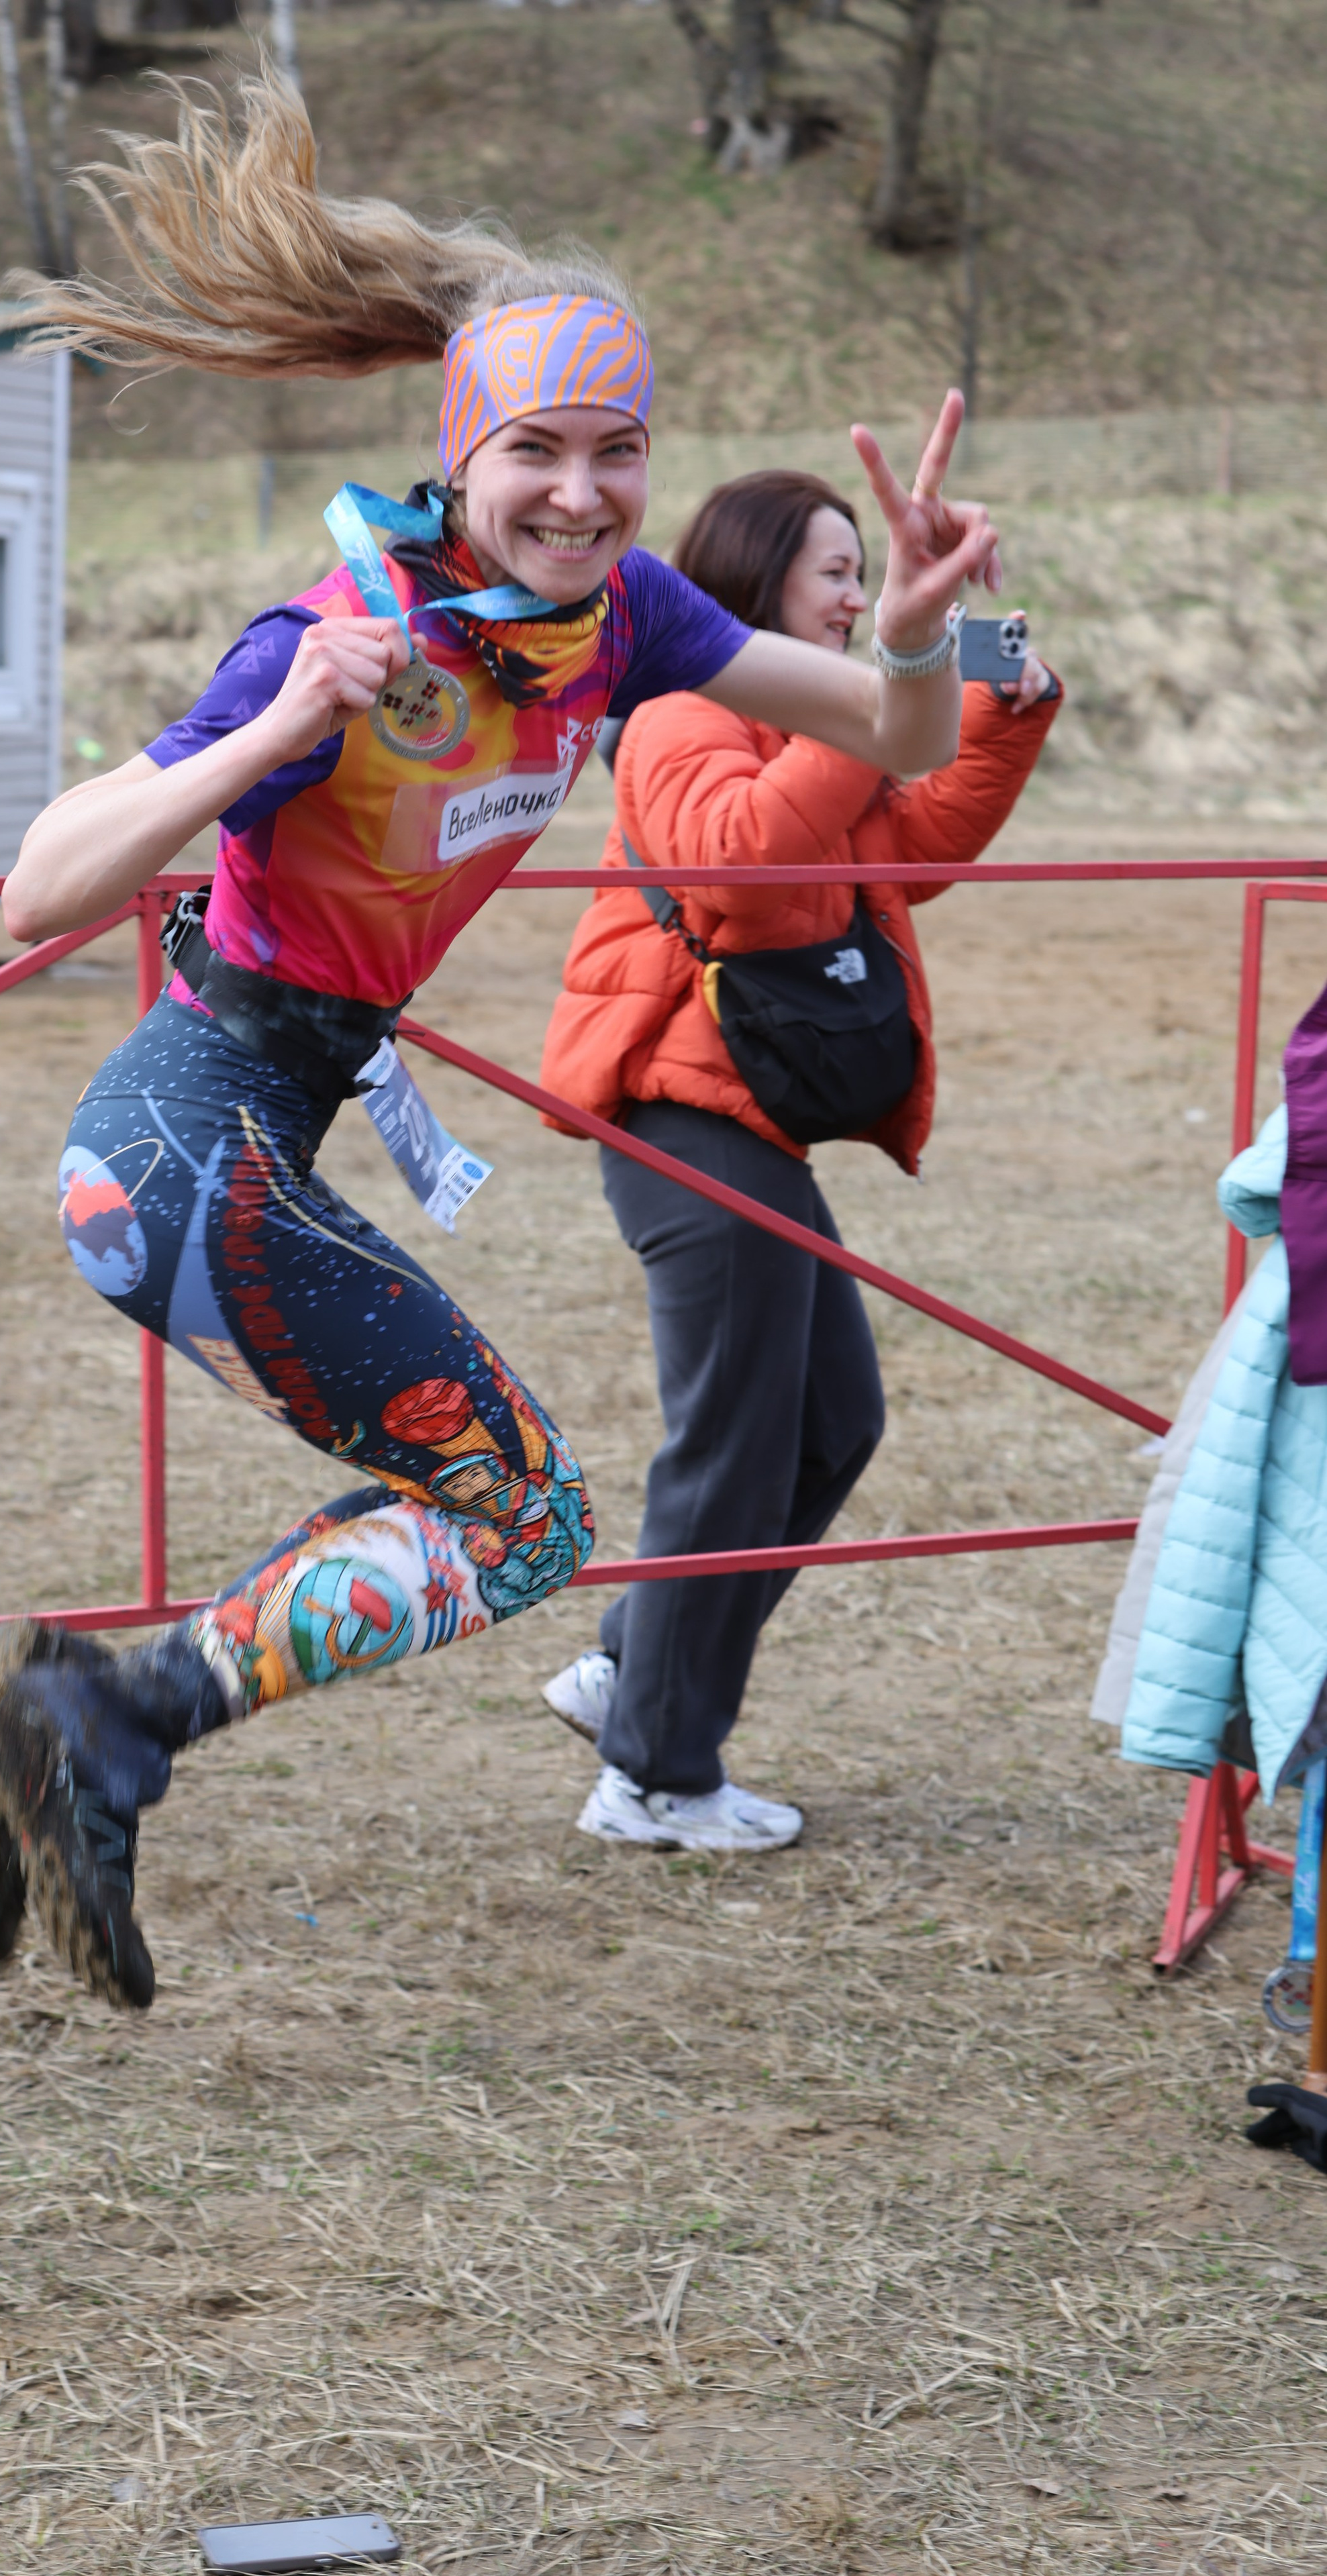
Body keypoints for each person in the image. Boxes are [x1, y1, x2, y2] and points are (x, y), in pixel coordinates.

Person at [0, 73, 1003, 2013]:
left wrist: (922, 629)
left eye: (618, 449)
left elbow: (907, 742)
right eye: (536, 451)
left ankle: (90, 1724)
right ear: (461, 449)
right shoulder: (334, 630)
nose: (582, 491)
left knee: (504, 1507)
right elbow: (33, 889)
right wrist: (273, 737)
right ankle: (92, 1718)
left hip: (258, 1143)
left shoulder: (620, 621)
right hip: (180, 1147)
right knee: (528, 1513)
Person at [536, 469, 1061, 1852]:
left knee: (831, 1423)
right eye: (834, 574)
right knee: (731, 1443)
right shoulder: (679, 710)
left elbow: (923, 841)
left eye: (858, 575)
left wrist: (993, 701)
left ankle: (629, 1669)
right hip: (670, 1109)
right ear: (759, 579)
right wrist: (877, 696)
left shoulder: (825, 725)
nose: (850, 597)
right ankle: (651, 1774)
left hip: (748, 1118)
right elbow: (734, 860)